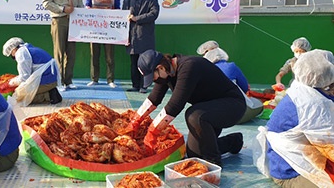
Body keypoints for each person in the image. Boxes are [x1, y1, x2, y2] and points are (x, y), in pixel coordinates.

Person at [135, 49, 246, 166]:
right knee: (195, 154)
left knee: (193, 116)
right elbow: (154, 99)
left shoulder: (189, 67)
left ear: (161, 67)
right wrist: (133, 123)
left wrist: (151, 133)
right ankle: (233, 141)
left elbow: (174, 106)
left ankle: (214, 162)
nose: (154, 81)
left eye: (153, 77)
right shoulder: (167, 73)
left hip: (232, 106)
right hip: (209, 110)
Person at [254, 49, 334, 187]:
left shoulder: (306, 87)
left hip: (305, 156)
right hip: (291, 172)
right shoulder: (310, 103)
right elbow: (329, 145)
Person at [42, 0, 84, 91]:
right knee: (59, 52)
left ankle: (68, 80)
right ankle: (58, 81)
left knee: (71, 53)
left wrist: (87, 15)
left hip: (74, 22)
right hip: (59, 20)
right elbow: (46, 2)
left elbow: (80, 5)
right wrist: (62, 9)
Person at [121, 0, 160, 93]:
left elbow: (154, 14)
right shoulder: (127, 0)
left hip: (145, 36)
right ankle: (135, 85)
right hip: (132, 37)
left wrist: (136, 19)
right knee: (133, 63)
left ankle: (144, 86)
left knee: (146, 62)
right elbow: (122, 18)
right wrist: (123, 37)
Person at [204, 47, 264, 124]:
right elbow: (244, 88)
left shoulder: (204, 70)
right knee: (258, 103)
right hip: (236, 115)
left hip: (212, 116)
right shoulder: (231, 67)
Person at [85, 0, 121, 89]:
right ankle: (94, 79)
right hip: (94, 27)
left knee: (110, 55)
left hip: (109, 28)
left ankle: (110, 79)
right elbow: (87, 5)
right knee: (94, 54)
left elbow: (118, 8)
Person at [2, 37, 62, 105]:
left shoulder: (21, 54)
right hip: (53, 79)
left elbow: (24, 78)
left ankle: (48, 95)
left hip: (47, 81)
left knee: (19, 95)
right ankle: (49, 91)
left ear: (13, 50)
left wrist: (11, 82)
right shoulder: (28, 48)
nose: (13, 57)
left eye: (11, 55)